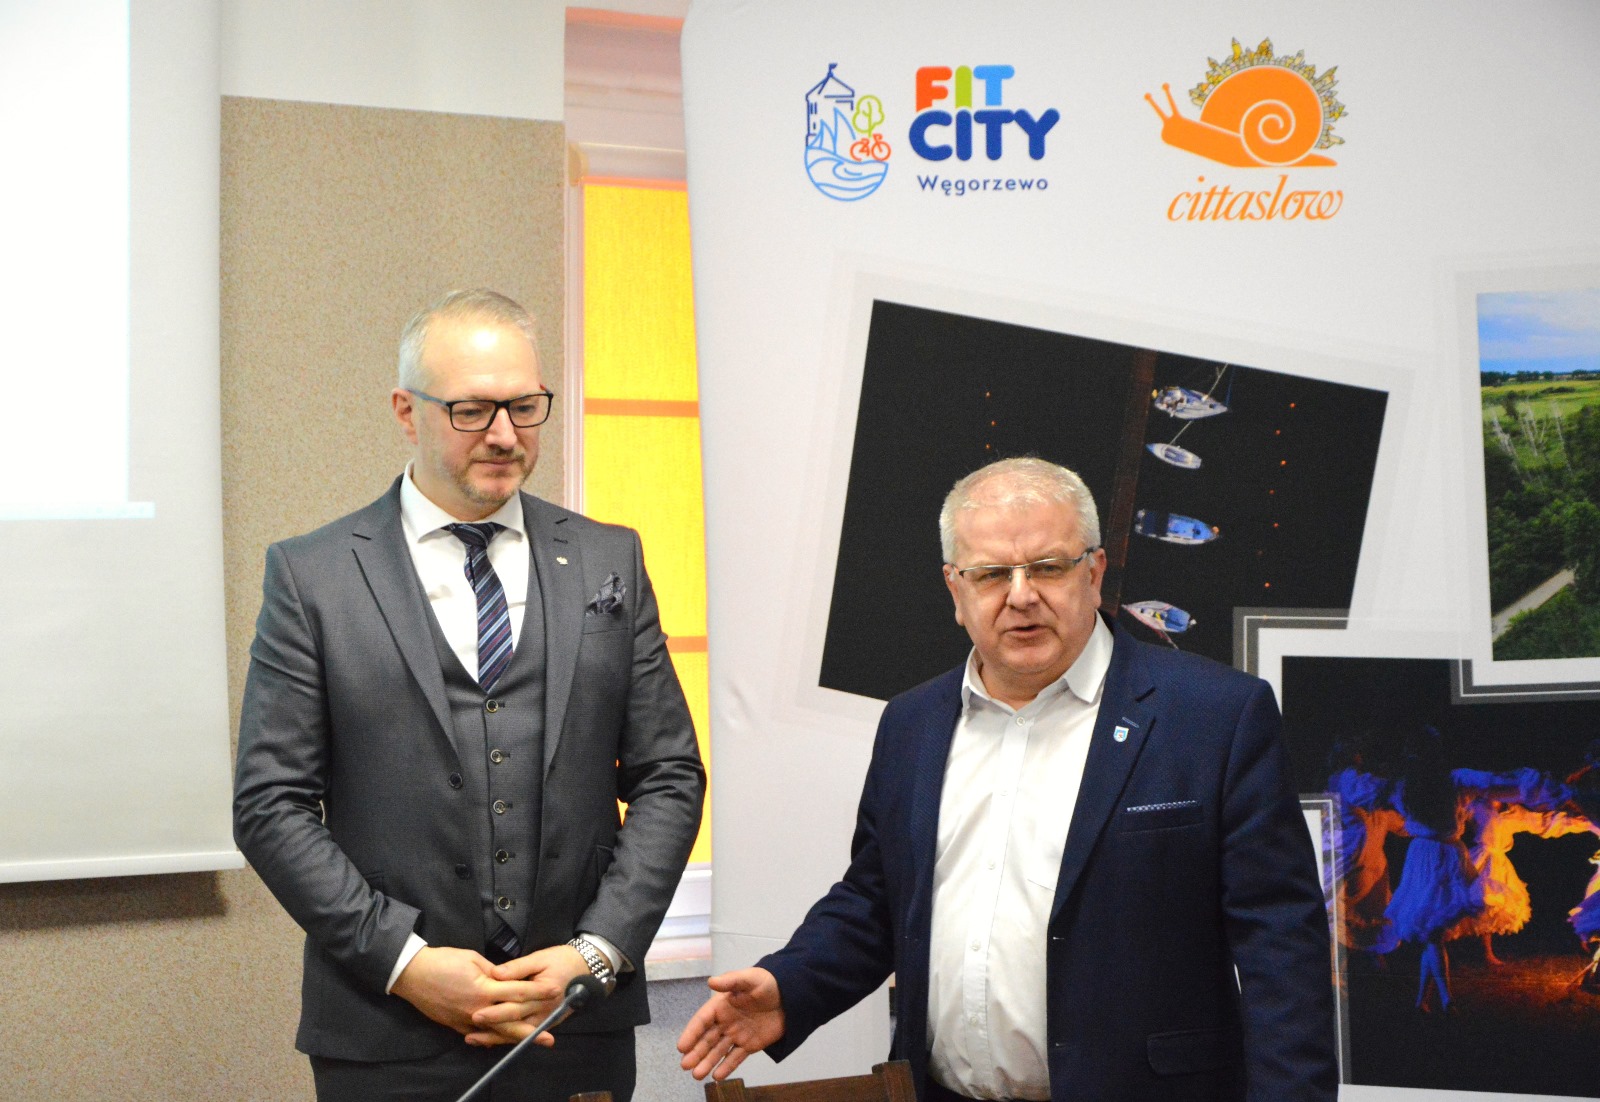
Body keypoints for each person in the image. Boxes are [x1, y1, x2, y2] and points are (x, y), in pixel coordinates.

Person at [678, 457, 1336, 1102]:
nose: (1021, 595)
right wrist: (791, 987)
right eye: (991, 574)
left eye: (1047, 567)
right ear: (955, 590)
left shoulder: (1214, 716)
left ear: (1094, 573)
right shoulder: (912, 724)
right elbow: (878, 898)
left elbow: (1282, 947)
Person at [234, 289, 705, 1102]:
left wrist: (597, 950)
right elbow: (271, 804)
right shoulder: (313, 576)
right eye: (472, 410)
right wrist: (406, 963)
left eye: (524, 406)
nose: (505, 434)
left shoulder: (609, 561)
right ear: (405, 411)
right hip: (387, 1034)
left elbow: (669, 775)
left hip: (574, 1023)